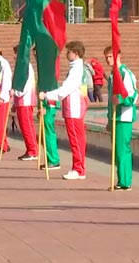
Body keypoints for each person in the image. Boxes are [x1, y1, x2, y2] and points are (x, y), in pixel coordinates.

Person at [39, 41, 88, 180]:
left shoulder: (77, 69)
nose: (67, 54)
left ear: (76, 53)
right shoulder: (76, 68)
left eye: (69, 51)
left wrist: (47, 95)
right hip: (72, 107)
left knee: (76, 139)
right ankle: (78, 167)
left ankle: (78, 169)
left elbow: (65, 90)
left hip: (74, 108)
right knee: (77, 139)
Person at [104, 46, 137, 191]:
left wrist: (121, 100)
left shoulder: (125, 73)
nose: (108, 59)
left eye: (111, 56)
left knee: (122, 150)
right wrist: (109, 118)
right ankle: (121, 179)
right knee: (117, 151)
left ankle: (125, 181)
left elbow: (132, 95)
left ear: (118, 56)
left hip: (124, 117)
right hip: (114, 118)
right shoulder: (112, 75)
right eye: (106, 57)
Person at [11, 45, 38, 161]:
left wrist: (16, 93)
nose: (14, 56)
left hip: (25, 101)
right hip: (20, 101)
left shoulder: (26, 67)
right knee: (25, 126)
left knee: (27, 126)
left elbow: (25, 85)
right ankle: (30, 149)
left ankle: (33, 150)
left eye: (16, 54)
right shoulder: (21, 67)